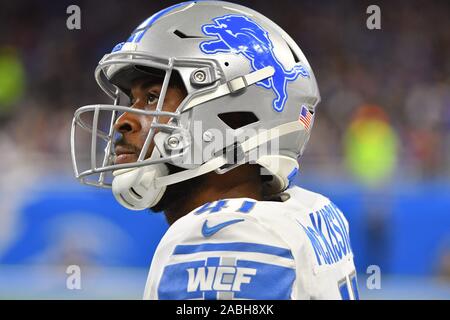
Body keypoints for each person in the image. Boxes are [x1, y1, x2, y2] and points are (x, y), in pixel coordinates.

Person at [70, 1, 358, 300]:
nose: (123, 121)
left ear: (235, 115)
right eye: (133, 101)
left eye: (153, 97)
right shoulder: (307, 210)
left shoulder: (226, 236)